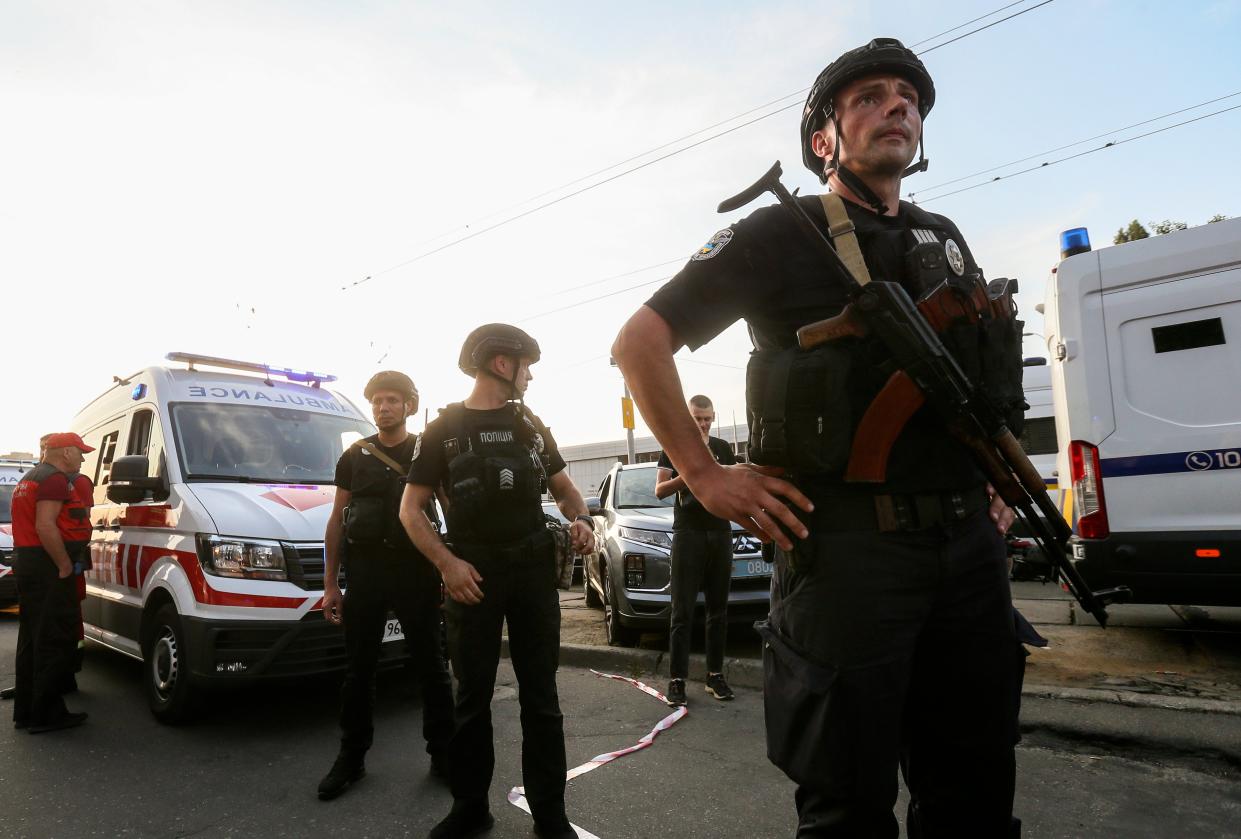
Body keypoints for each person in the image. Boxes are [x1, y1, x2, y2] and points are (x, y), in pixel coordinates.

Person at [611, 38, 1026, 837]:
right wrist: (702, 474)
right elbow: (639, 341)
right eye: (868, 96)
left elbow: (976, 381)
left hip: (966, 551)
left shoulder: (944, 236)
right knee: (845, 802)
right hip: (845, 553)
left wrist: (997, 482)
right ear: (822, 142)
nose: (896, 105)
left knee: (974, 791)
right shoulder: (782, 231)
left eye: (906, 97)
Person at [400, 324, 595, 839]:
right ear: (501, 364)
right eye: (524, 364)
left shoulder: (530, 425)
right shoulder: (443, 430)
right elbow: (411, 510)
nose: (529, 375)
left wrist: (582, 520)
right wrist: (447, 564)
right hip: (472, 576)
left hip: (531, 573)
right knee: (472, 699)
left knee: (542, 699)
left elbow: (563, 486)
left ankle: (550, 814)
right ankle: (470, 808)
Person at [316, 370, 455, 800]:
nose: (383, 407)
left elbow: (452, 511)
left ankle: (444, 755)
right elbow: (337, 522)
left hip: (416, 572)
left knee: (432, 665)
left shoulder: (426, 451)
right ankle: (351, 757)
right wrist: (331, 585)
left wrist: (451, 566)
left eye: (392, 400)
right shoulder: (354, 457)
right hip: (366, 575)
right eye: (377, 400)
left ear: (409, 405)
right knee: (359, 670)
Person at [655, 394, 737, 706]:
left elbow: (731, 485)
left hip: (720, 531)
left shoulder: (723, 448)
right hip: (687, 533)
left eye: (707, 418)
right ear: (689, 419)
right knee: (683, 610)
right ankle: (677, 680)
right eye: (697, 419)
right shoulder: (673, 446)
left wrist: (717, 468)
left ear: (712, 418)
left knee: (719, 609)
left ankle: (715, 676)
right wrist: (689, 473)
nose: (703, 424)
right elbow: (660, 489)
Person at [10, 432, 95, 733]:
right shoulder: (54, 480)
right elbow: (45, 525)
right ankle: (46, 714)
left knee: (32, 639)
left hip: (29, 563)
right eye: (80, 452)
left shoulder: (30, 477)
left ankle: (27, 712)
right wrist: (62, 565)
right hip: (47, 566)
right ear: (66, 452)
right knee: (54, 639)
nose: (83, 458)